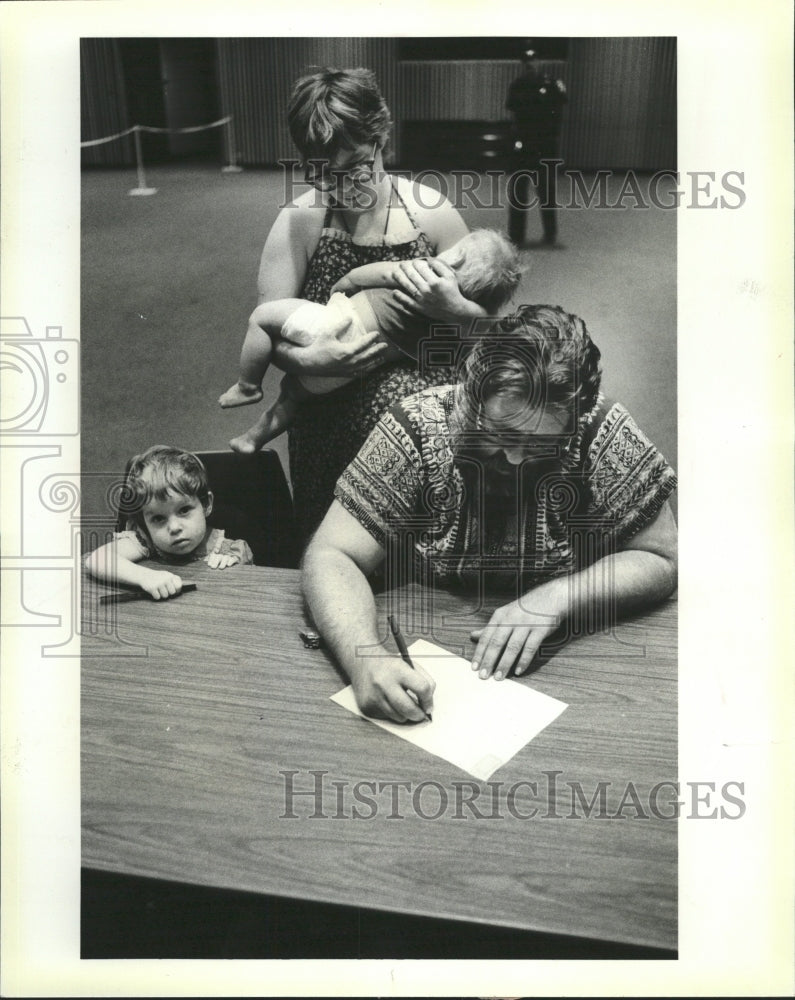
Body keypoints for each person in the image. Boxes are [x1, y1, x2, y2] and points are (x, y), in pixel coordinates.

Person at [302, 304, 677, 723]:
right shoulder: (418, 424)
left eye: (542, 444)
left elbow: (661, 558)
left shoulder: (599, 428)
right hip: (437, 653)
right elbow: (332, 553)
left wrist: (561, 595)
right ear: (473, 395)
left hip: (572, 666)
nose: (517, 458)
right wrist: (365, 657)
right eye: (504, 433)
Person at [251, 66, 492, 543]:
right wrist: (308, 358)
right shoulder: (300, 221)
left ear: (382, 141)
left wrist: (458, 312)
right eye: (324, 175)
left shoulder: (432, 214)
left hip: (427, 432)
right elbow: (267, 331)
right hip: (331, 430)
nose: (343, 188)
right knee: (335, 564)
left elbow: (491, 334)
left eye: (357, 167)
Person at [219, 229, 522, 452]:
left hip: (334, 324)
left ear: (454, 258)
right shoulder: (453, 331)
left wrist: (349, 279)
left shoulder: (426, 272)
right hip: (348, 372)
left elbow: (378, 273)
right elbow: (494, 334)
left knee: (261, 317)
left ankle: (247, 385)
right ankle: (252, 439)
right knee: (292, 398)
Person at [84, 446, 253, 600]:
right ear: (144, 521)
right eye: (158, 518)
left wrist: (231, 566)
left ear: (206, 504)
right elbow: (97, 560)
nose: (174, 528)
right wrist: (146, 577)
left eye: (184, 510)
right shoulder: (147, 542)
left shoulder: (229, 550)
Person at [505, 47, 567, 247]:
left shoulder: (552, 85)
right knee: (519, 192)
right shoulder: (517, 86)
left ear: (538, 62)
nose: (530, 64)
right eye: (526, 61)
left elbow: (558, 113)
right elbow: (513, 116)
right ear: (523, 64)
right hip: (524, 145)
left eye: (533, 60)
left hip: (545, 146)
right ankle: (516, 236)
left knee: (546, 193)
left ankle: (550, 234)